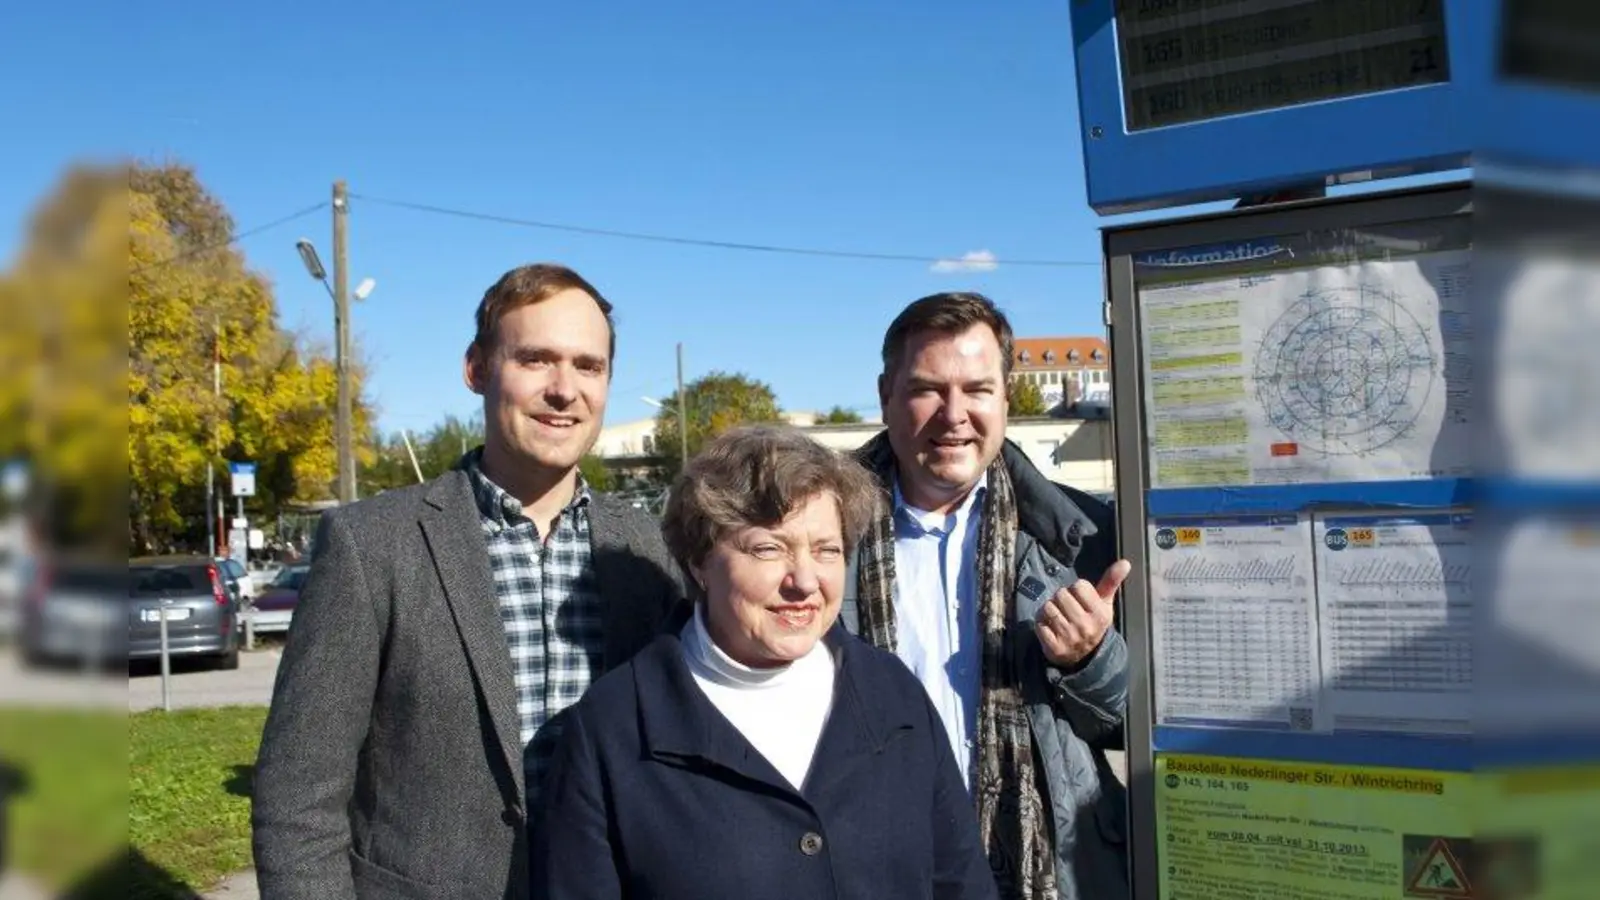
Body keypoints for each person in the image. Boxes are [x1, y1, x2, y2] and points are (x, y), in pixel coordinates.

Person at [252, 263, 685, 900]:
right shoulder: (371, 545)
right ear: (477, 369)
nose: (564, 390)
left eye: (588, 366)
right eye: (535, 360)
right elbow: (297, 797)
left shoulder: (650, 551)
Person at [531, 425, 999, 900]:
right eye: (769, 549)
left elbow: (961, 884)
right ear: (699, 561)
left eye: (827, 550)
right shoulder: (614, 729)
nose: (805, 581)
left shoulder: (894, 696)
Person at [839, 292, 1132, 900]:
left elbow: (1133, 726)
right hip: (874, 866)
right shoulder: (820, 540)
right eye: (927, 389)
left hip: (1042, 873)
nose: (954, 415)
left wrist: (1089, 660)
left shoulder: (1082, 537)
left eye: (976, 389)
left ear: (1005, 399)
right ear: (885, 395)